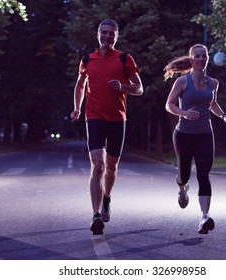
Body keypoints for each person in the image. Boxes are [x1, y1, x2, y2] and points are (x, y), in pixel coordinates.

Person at [70, 19, 143, 235]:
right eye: (104, 32)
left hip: (117, 119)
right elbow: (80, 85)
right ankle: (95, 215)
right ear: (98, 34)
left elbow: (139, 88)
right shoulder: (87, 60)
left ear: (116, 36)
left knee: (111, 168)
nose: (107, 36)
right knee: (98, 166)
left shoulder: (124, 59)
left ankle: (107, 198)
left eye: (112, 33)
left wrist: (122, 86)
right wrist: (77, 108)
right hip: (93, 117)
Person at [164, 44, 226, 234]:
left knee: (204, 174)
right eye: (197, 56)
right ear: (191, 59)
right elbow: (169, 105)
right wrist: (184, 113)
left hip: (205, 135)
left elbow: (213, 103)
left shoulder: (213, 83)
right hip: (184, 135)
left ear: (207, 59)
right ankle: (182, 189)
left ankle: (204, 217)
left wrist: (224, 116)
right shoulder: (182, 82)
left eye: (204, 56)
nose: (201, 59)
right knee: (184, 175)